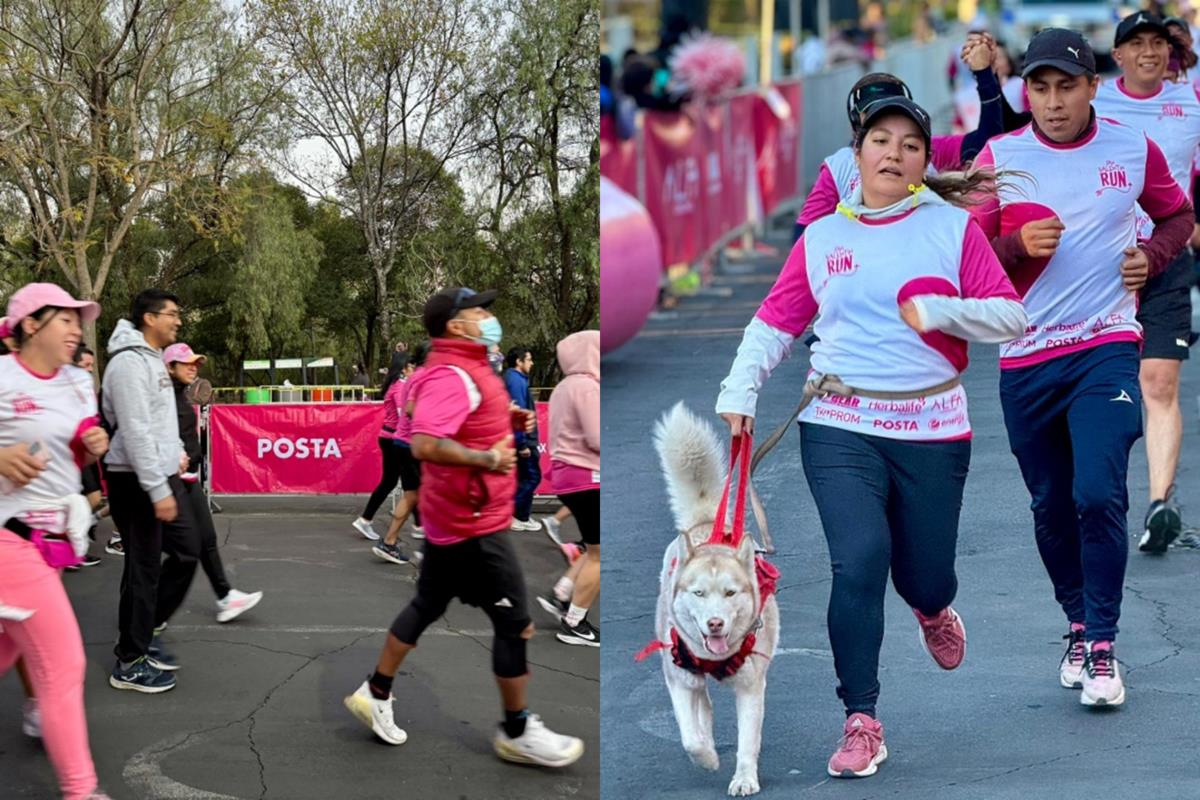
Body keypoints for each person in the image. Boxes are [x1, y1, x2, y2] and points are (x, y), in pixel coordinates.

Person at [717, 96, 1027, 778]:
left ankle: (933, 605)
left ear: (923, 163)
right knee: (858, 560)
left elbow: (1010, 316)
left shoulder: (951, 229)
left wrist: (941, 309)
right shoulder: (825, 237)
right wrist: (739, 390)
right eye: (881, 140)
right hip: (840, 422)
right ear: (855, 155)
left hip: (932, 427)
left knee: (925, 572)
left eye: (911, 145)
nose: (895, 153)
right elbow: (775, 323)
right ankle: (861, 719)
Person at [970, 29, 1193, 707]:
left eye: (1067, 86)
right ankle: (1075, 619)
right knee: (1051, 503)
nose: (1054, 101)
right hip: (1026, 356)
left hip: (1104, 345)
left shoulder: (1130, 145)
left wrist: (1151, 259)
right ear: (1025, 92)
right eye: (1039, 87)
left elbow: (1177, 215)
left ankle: (1102, 643)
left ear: (1093, 87)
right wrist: (1011, 245)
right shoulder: (999, 158)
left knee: (1098, 491)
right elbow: (961, 254)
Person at [344, 286, 584, 768]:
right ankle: (516, 732)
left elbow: (448, 421)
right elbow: (426, 443)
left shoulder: (466, 368)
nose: (487, 317)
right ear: (456, 325)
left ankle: (375, 692)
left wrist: (505, 420)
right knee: (515, 626)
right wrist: (488, 456)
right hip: (475, 526)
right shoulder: (453, 373)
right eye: (479, 311)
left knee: (426, 604)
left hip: (455, 519)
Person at [0, 283, 114, 799]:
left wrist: (93, 445)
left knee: (6, 651)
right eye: (65, 319)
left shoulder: (76, 381)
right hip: (9, 540)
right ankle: (81, 791)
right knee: (64, 665)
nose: (76, 329)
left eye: (78, 319)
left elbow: (80, 448)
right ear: (30, 325)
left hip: (53, 545)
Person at [1092, 12, 1200, 555]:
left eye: (1158, 43)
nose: (1149, 53)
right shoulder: (1095, 103)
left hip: (1168, 255)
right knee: (1108, 392)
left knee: (1159, 382)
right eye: (1137, 44)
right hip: (1102, 262)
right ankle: (1098, 499)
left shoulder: (1192, 103)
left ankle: (1160, 503)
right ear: (1119, 55)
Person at [794, 35, 1005, 240]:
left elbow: (988, 144)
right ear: (856, 135)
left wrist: (985, 75)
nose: (893, 154)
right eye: (880, 133)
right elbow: (804, 240)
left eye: (896, 115)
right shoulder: (838, 166)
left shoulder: (923, 149)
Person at [103, 288, 201, 693]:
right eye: (172, 314)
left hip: (157, 476)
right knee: (142, 567)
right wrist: (158, 487)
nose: (177, 321)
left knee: (187, 550)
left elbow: (162, 422)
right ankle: (130, 660)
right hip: (135, 478)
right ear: (149, 318)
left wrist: (176, 454)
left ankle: (142, 631)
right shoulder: (127, 365)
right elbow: (136, 431)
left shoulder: (151, 361)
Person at [164, 342, 263, 621]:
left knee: (206, 538)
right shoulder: (163, 398)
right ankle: (148, 616)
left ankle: (225, 596)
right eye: (187, 363)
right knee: (176, 552)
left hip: (188, 478)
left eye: (196, 363)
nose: (193, 367)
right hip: (169, 482)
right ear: (169, 366)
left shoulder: (181, 396)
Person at [537, 331, 600, 647]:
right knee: (601, 555)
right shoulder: (588, 388)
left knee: (593, 548)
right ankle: (575, 622)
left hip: (565, 476)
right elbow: (597, 438)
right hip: (588, 475)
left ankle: (562, 594)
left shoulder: (562, 388)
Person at [372, 344, 428, 565]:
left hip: (406, 443)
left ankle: (389, 542)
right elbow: (411, 409)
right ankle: (429, 548)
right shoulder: (421, 378)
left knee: (412, 495)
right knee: (425, 494)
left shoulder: (415, 377)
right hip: (410, 444)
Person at [352, 352, 410, 541]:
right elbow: (404, 415)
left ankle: (366, 519)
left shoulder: (392, 385)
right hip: (395, 438)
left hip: (389, 436)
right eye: (412, 366)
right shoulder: (400, 387)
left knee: (394, 482)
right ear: (404, 368)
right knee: (410, 484)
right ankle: (418, 527)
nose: (415, 370)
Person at [503, 346, 541, 532]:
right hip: (523, 440)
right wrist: (522, 443)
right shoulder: (516, 381)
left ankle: (522, 515)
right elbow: (517, 413)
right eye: (529, 359)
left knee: (525, 478)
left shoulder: (515, 379)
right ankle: (516, 514)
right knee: (532, 477)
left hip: (521, 439)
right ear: (519, 362)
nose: (532, 363)